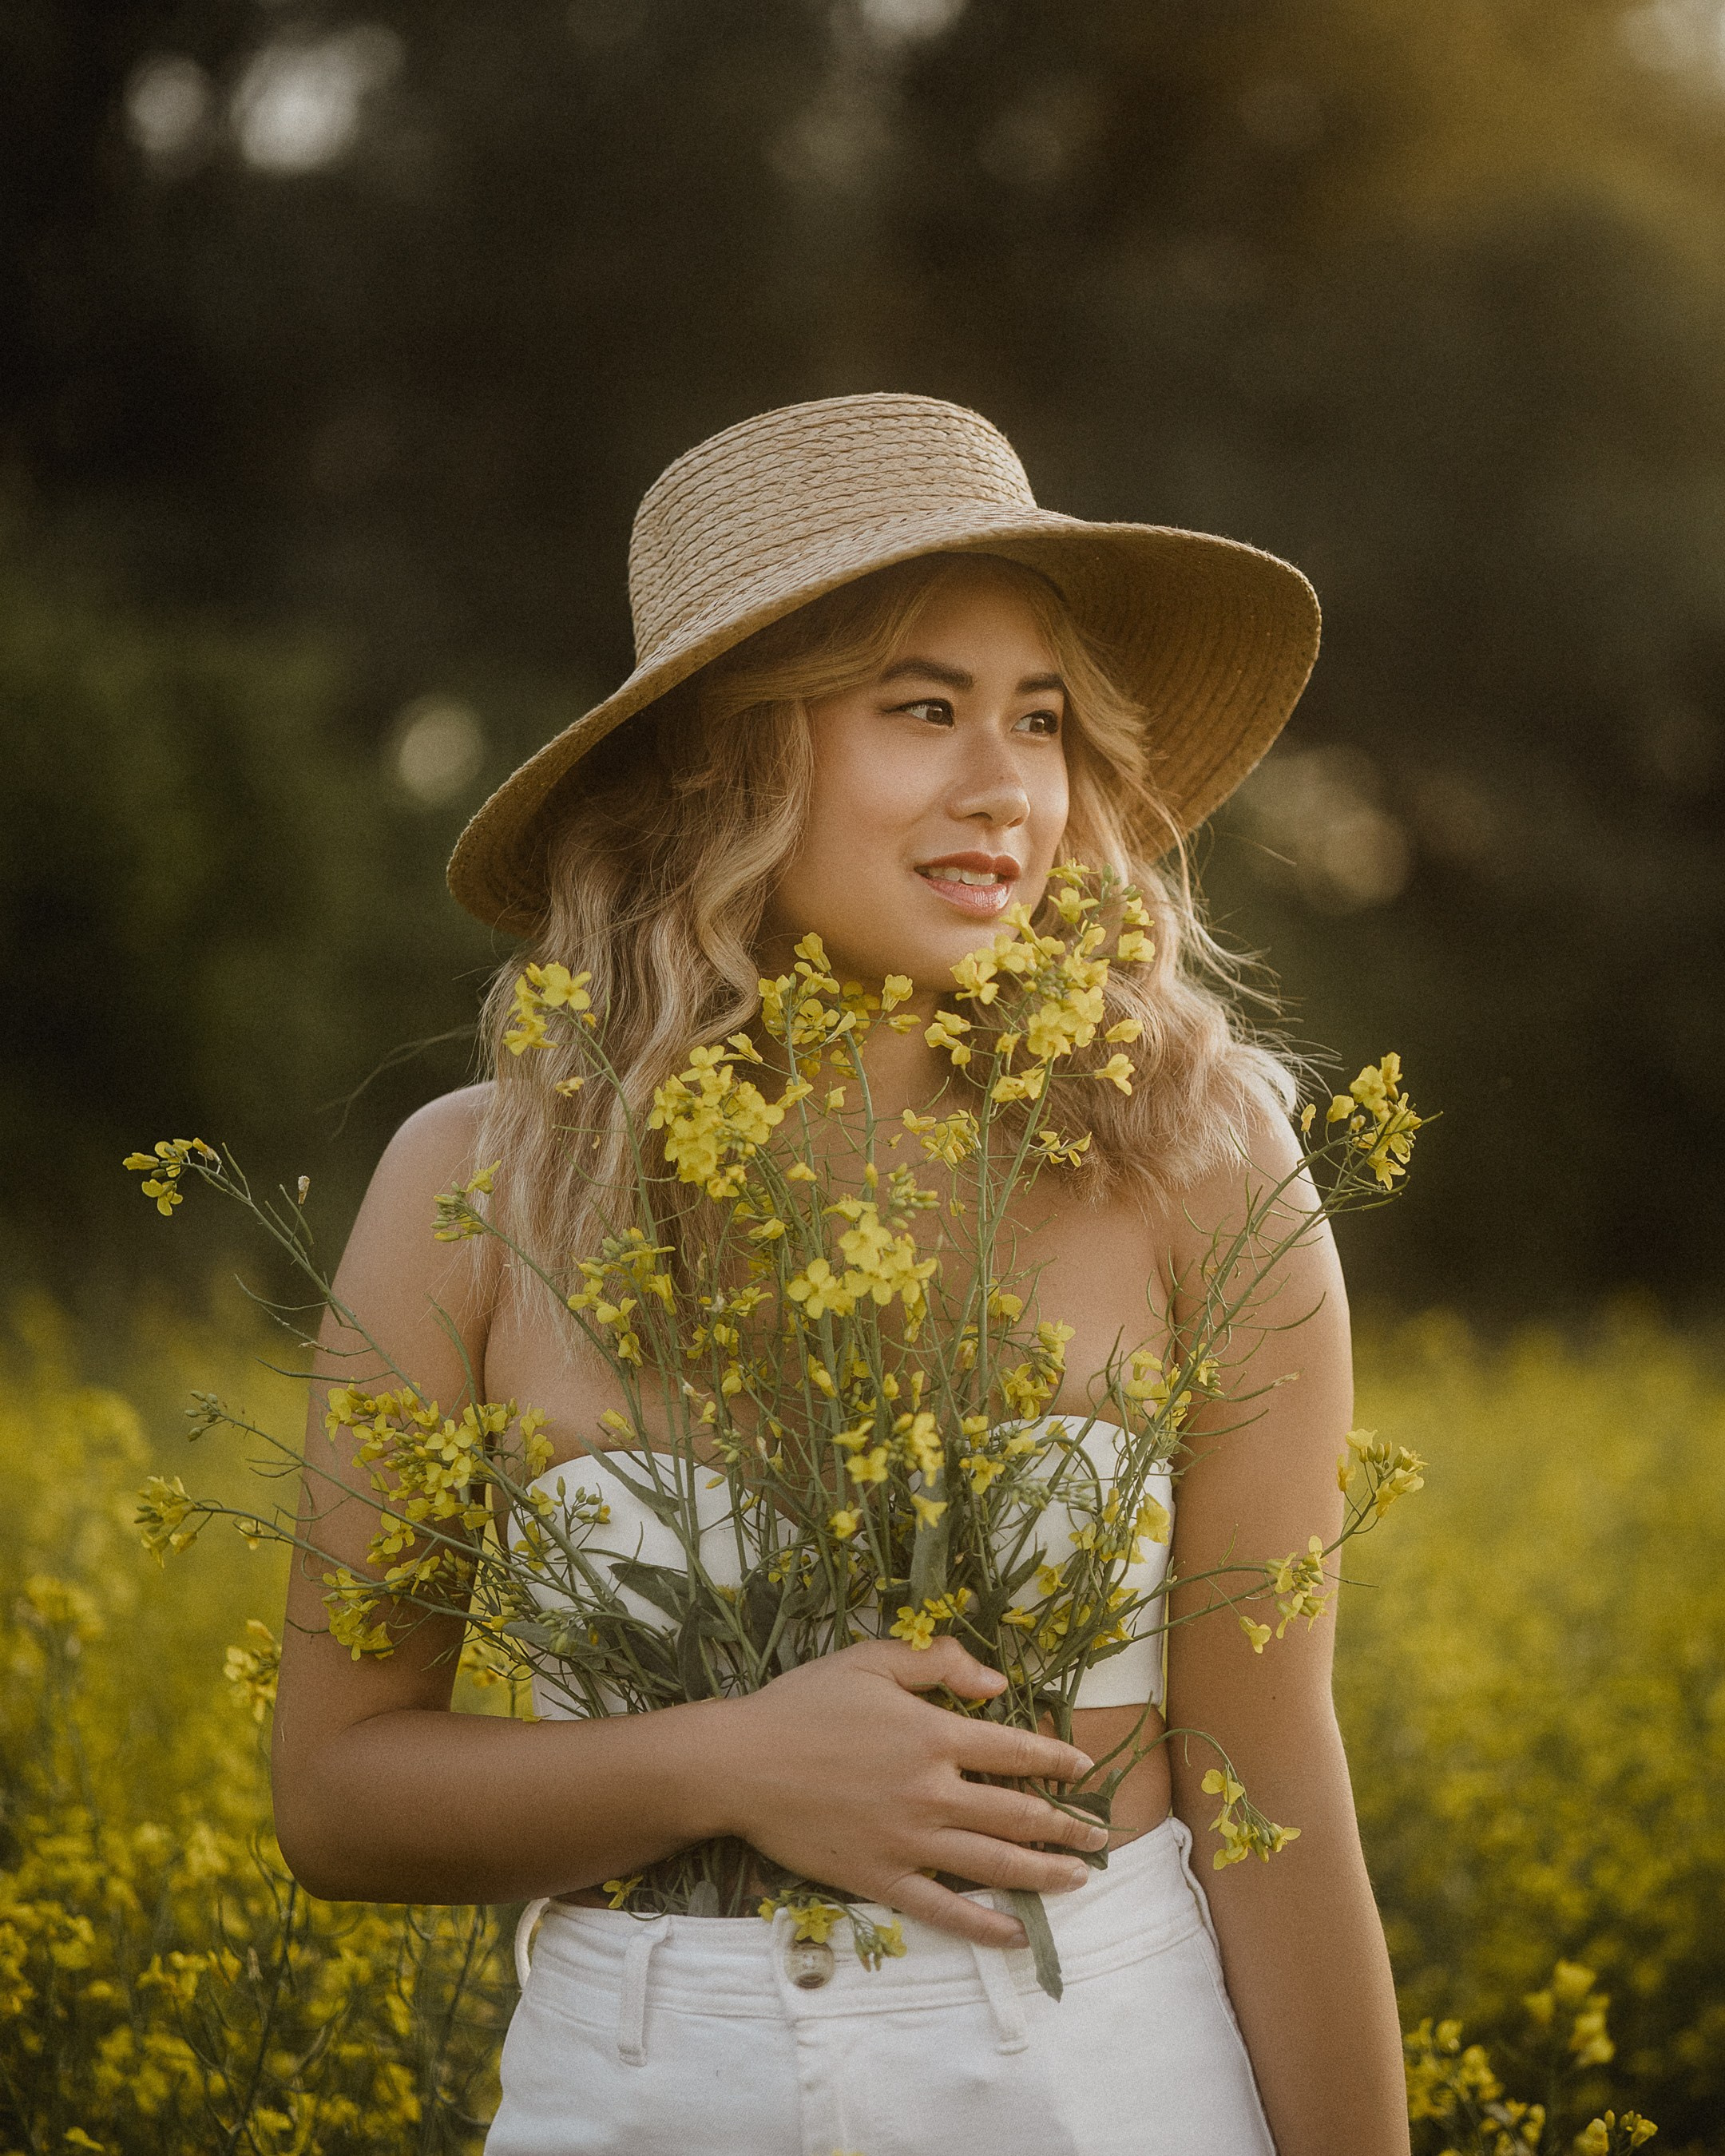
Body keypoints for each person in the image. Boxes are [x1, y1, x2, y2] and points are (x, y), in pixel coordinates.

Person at [270, 393, 1410, 2154]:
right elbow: (340, 1797)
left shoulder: (1202, 1159)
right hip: (638, 2093)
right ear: (726, 760)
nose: (1004, 788)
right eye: (922, 709)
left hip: (1104, 2082)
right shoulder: (479, 1182)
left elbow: (1278, 1790)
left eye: (1039, 721)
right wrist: (728, 1765)